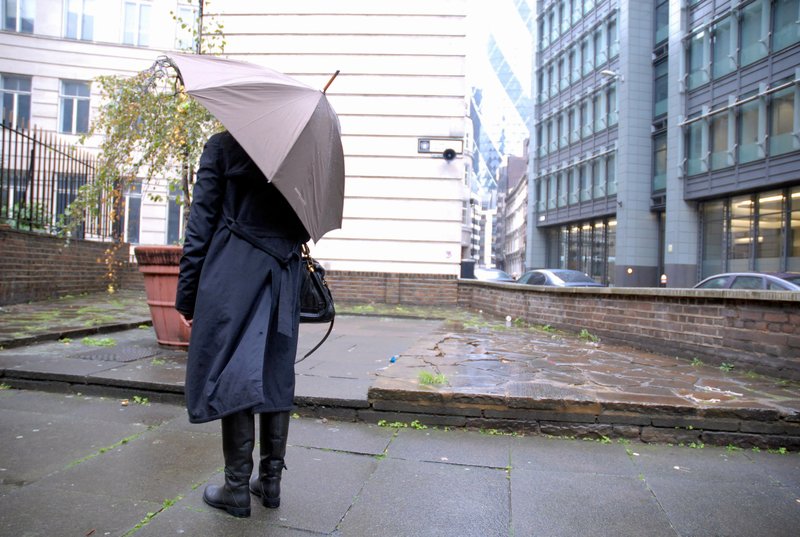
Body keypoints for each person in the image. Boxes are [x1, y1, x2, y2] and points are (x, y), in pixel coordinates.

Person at [175, 130, 310, 518]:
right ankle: (270, 483)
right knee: (275, 370)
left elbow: (200, 223)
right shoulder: (299, 152)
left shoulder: (223, 145)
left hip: (233, 270)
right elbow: (304, 227)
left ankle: (236, 487)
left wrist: (187, 294)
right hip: (283, 271)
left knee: (236, 369)